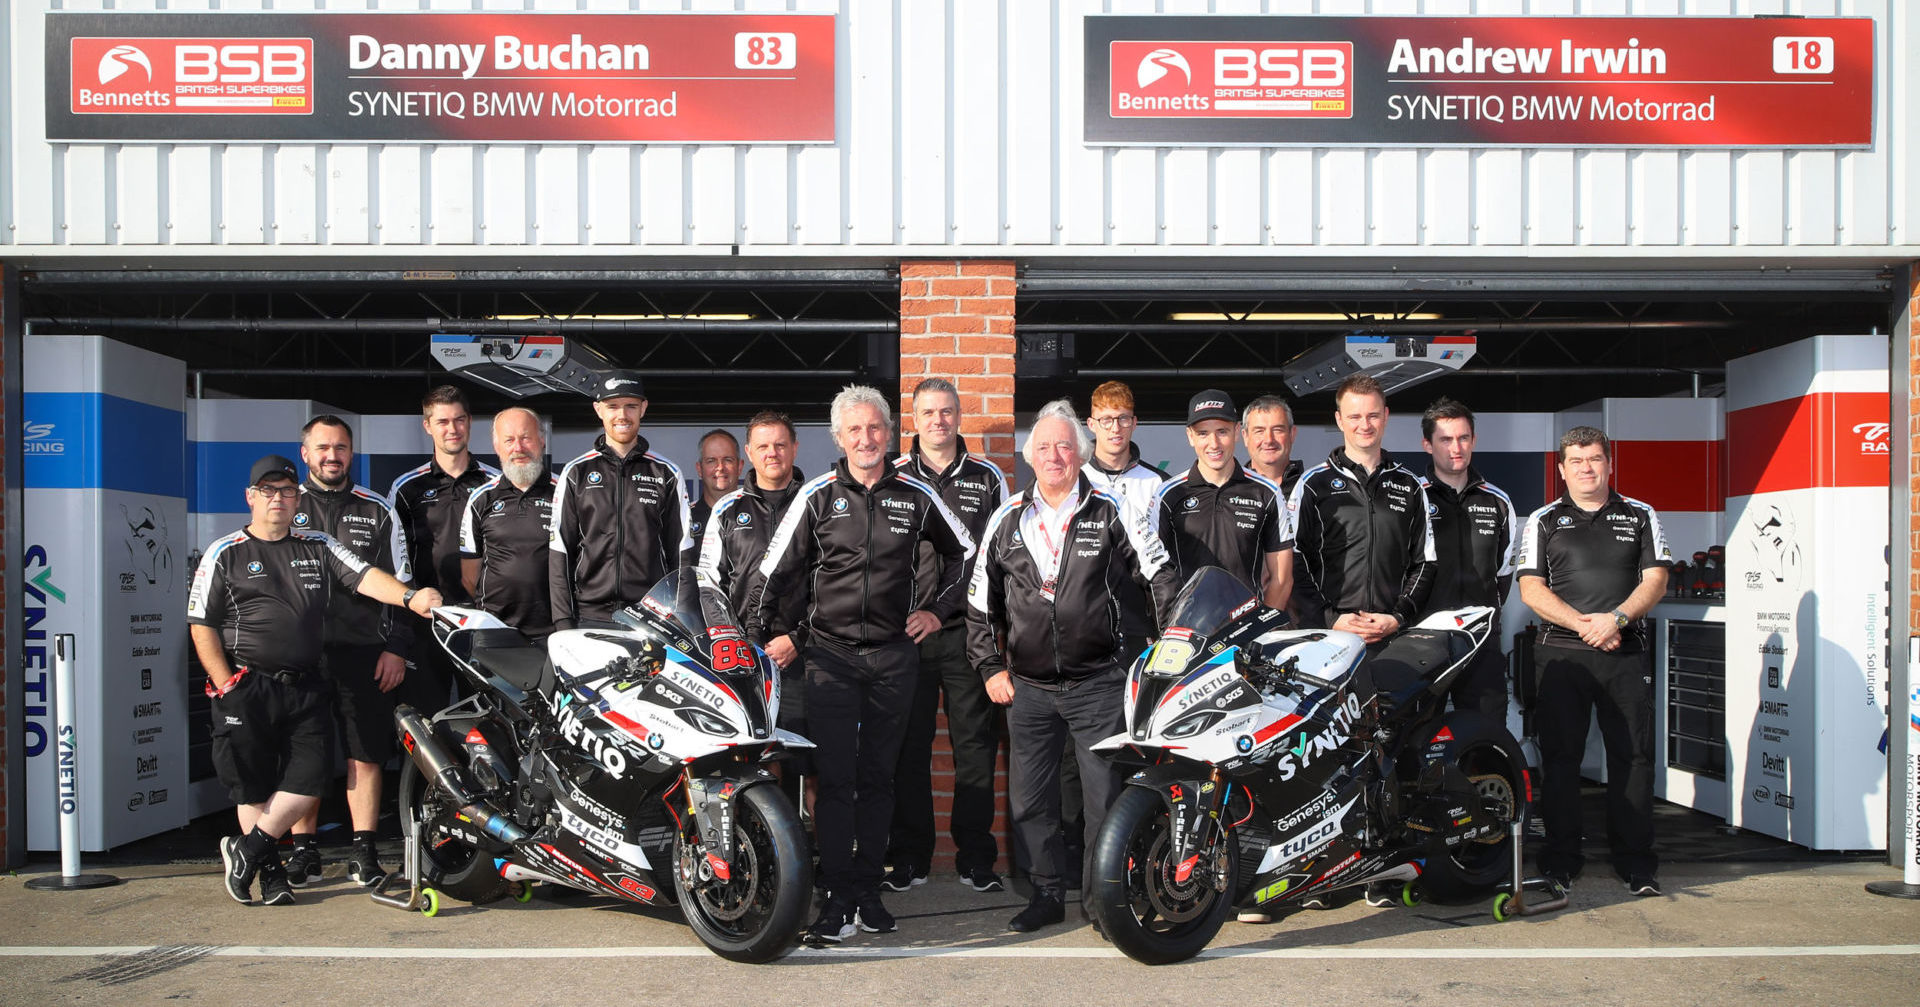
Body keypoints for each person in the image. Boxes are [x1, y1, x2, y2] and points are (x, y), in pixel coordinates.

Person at [746, 385, 974, 946]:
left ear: (890, 433)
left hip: (895, 658)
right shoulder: (818, 497)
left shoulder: (917, 495)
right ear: (839, 438)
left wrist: (936, 612)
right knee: (838, 781)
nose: (867, 439)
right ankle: (837, 895)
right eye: (855, 430)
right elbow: (771, 575)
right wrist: (762, 638)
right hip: (829, 660)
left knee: (880, 779)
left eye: (875, 428)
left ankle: (868, 892)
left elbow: (966, 553)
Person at [188, 456, 441, 907]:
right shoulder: (224, 551)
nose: (278, 499)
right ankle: (268, 875)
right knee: (253, 784)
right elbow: (201, 623)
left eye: (286, 491)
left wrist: (409, 596)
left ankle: (246, 849)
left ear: (296, 497)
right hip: (247, 685)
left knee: (309, 780)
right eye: (268, 491)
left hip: (305, 684)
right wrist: (224, 683)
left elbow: (365, 577)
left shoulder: (318, 545)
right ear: (250, 497)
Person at [968, 399, 1180, 933]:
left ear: (1080, 452)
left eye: (1064, 445)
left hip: (1099, 684)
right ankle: (1044, 896)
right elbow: (977, 605)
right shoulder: (1006, 517)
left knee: (1103, 802)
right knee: (1028, 804)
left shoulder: (1112, 508)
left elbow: (1161, 579)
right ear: (1029, 456)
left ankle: (1102, 904)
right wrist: (990, 666)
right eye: (1043, 446)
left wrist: (1170, 650)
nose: (1054, 455)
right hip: (1028, 690)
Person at [1281, 373, 1435, 915]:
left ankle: (1382, 870)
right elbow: (1294, 567)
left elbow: (1425, 565)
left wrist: (1396, 617)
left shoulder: (1408, 485)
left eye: (1373, 414)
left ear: (1384, 418)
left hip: (1391, 640)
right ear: (1339, 420)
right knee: (1324, 759)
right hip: (1330, 642)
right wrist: (1331, 618)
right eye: (1354, 415)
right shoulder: (1313, 486)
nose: (1364, 424)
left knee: (1387, 752)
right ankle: (1323, 875)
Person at [1516, 426, 1672, 897]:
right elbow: (1530, 588)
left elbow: (1657, 579)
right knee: (1561, 761)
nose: (1587, 468)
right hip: (1562, 656)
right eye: (1577, 461)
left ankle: (1636, 863)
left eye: (1595, 459)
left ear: (1609, 465)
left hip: (1624, 654)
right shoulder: (1542, 519)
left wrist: (1617, 619)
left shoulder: (1640, 515)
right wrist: (1587, 625)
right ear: (1561, 469)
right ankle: (1562, 860)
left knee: (1634, 759)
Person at [885, 378, 1010, 895]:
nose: (938, 421)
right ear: (914, 418)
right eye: (929, 412)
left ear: (960, 416)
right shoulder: (891, 475)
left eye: (947, 411)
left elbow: (999, 555)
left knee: (974, 748)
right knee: (906, 750)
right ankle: (910, 856)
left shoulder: (989, 477)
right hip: (905, 636)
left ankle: (976, 858)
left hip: (966, 635)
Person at [280, 415, 414, 889]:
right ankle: (303, 852)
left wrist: (395, 649)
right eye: (322, 448)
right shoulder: (284, 506)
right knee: (305, 755)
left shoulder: (377, 508)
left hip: (365, 652)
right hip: (301, 656)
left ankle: (364, 851)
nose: (331, 456)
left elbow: (402, 586)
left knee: (365, 753)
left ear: (351, 452)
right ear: (306, 453)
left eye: (340, 447)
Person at [695, 411, 809, 810]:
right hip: (746, 657)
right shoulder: (728, 507)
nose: (773, 453)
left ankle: (822, 863)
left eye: (780, 444)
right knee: (760, 763)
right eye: (763, 446)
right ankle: (773, 856)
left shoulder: (818, 502)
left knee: (815, 766)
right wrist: (731, 640)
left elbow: (834, 580)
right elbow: (708, 582)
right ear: (749, 453)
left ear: (795, 447)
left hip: (809, 654)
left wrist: (798, 638)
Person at [549, 369, 692, 631]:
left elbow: (680, 554)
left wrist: (679, 617)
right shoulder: (575, 472)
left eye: (630, 406)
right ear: (598, 409)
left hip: (651, 619)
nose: (622, 415)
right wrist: (563, 622)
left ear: (643, 408)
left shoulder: (667, 473)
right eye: (612, 406)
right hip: (589, 617)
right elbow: (560, 552)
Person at [389, 385, 499, 711]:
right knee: (425, 721)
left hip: (481, 623)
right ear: (428, 426)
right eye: (442, 422)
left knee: (488, 721)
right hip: (426, 624)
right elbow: (397, 564)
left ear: (469, 422)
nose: (452, 429)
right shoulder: (407, 488)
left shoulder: (495, 484)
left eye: (459, 420)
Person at [1418, 397, 1519, 722]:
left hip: (1481, 643)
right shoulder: (1411, 499)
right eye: (1445, 439)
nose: (1455, 447)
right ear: (1427, 444)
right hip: (1422, 641)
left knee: (1486, 735)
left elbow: (1503, 575)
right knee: (1415, 739)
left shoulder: (1498, 501)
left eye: (1463, 438)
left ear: (1473, 440)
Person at [1156, 389, 1294, 611]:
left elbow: (1282, 578)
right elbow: (1153, 573)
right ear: (1190, 436)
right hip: (1187, 632)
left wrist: (1259, 629)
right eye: (1203, 433)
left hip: (1246, 633)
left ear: (1237, 432)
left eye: (1222, 431)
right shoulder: (1167, 495)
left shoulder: (1266, 492)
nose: (1214, 443)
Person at [460, 407, 558, 641]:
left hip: (554, 630)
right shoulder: (481, 499)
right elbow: (469, 577)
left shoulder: (566, 492)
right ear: (497, 447)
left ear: (541, 441)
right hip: (494, 629)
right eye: (509, 440)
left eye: (526, 438)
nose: (518, 448)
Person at [687, 428, 742, 567]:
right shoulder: (685, 518)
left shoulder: (758, 514)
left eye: (728, 460)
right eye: (711, 461)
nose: (720, 467)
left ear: (740, 467)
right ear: (699, 469)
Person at [1242, 394, 1305, 499]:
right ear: (1245, 437)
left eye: (1277, 430)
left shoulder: (1312, 488)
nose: (1269, 440)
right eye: (1259, 431)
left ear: (1292, 434)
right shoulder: (1228, 492)